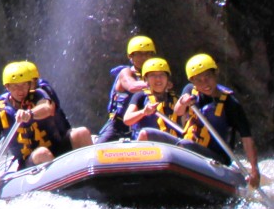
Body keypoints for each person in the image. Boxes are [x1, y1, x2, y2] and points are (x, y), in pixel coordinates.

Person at [0, 61, 91, 175]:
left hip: (57, 147)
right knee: (42, 153)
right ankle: (61, 183)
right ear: (7, 87)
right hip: (31, 160)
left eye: (24, 85)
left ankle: (91, 175)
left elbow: (47, 108)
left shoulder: (38, 95)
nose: (20, 90)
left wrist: (30, 114)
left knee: (81, 132)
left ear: (29, 85)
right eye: (15, 86)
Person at [178, 54, 261, 189]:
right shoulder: (188, 91)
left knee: (184, 144)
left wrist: (254, 169)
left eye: (208, 77)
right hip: (191, 148)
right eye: (199, 80)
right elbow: (178, 111)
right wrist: (183, 102)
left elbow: (247, 139)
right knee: (149, 134)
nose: (205, 84)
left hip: (217, 157)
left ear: (215, 74)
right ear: (193, 82)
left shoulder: (231, 104)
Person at [95, 35, 158, 142]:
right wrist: (154, 84)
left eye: (148, 54)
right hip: (118, 125)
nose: (144, 58)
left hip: (139, 126)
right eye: (139, 54)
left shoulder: (155, 75)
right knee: (99, 150)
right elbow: (132, 86)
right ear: (131, 56)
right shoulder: (126, 72)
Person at [121, 57, 187, 140]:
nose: (158, 79)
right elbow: (127, 120)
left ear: (168, 79)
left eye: (162, 75)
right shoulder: (140, 96)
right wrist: (143, 112)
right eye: (153, 75)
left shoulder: (176, 99)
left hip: (172, 145)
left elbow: (185, 123)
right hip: (149, 145)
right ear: (145, 79)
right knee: (145, 133)